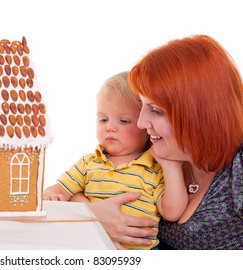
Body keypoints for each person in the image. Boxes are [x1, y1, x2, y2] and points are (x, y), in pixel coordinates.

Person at [82, 35, 243, 250]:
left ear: (199, 114)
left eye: (156, 110)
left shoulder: (237, 169)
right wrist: (93, 214)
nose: (141, 123)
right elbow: (84, 179)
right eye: (141, 106)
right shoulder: (152, 150)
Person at [43, 71, 188, 249]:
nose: (110, 127)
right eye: (103, 119)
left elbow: (172, 212)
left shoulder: (154, 168)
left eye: (124, 121)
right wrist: (51, 196)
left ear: (145, 126)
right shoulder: (89, 163)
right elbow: (59, 190)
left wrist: (172, 168)